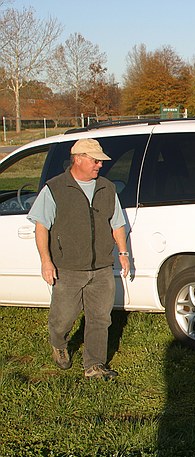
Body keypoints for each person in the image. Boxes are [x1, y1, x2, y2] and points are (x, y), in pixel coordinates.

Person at [27, 138, 130, 380]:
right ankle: (59, 342)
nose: (99, 166)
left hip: (102, 267)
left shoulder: (107, 188)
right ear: (78, 159)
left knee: (100, 318)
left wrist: (123, 253)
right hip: (68, 268)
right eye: (95, 161)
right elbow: (42, 227)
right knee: (63, 318)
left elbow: (117, 224)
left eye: (100, 161)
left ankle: (94, 365)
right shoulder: (54, 189)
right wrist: (46, 261)